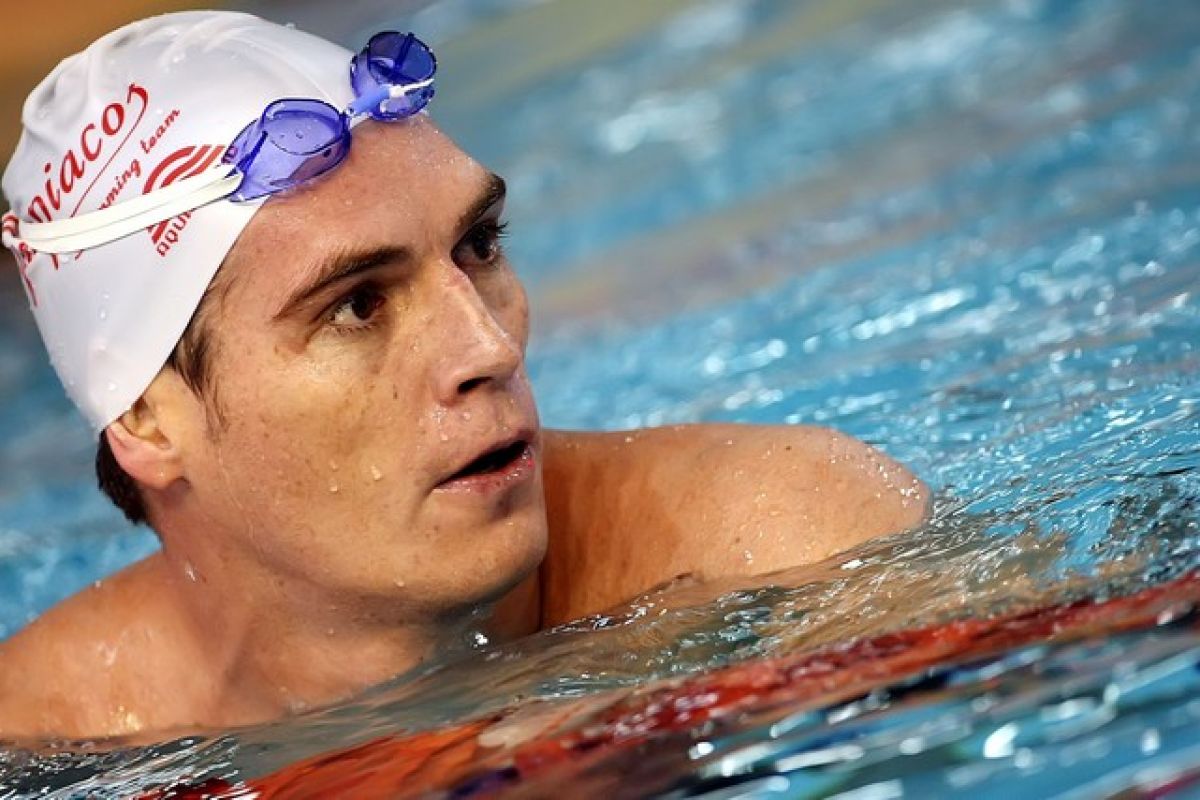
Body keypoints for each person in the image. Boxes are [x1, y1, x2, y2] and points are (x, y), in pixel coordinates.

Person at [0, 11, 926, 740]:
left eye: (478, 245)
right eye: (356, 305)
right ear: (148, 419)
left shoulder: (799, 554)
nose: (488, 349)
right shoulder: (48, 733)